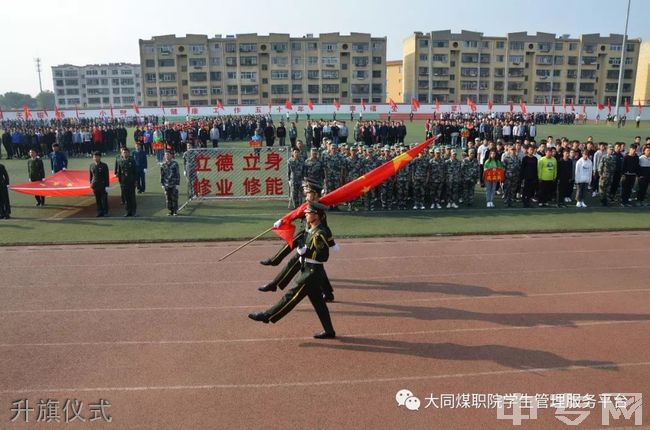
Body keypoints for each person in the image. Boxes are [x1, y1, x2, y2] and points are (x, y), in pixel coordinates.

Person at [248, 201, 336, 339]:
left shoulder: (320, 233)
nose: (305, 214)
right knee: (319, 303)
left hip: (311, 273)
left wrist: (305, 252)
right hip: (308, 270)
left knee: (291, 296)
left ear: (317, 215)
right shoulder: (311, 230)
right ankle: (329, 331)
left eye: (308, 213)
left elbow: (324, 256)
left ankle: (267, 315)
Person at [115, 147, 138, 217]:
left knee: (132, 197)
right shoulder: (120, 161)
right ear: (122, 153)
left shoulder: (132, 161)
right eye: (123, 152)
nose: (125, 154)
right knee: (126, 198)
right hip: (123, 182)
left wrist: (136, 181)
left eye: (126, 152)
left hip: (131, 182)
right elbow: (119, 173)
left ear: (128, 153)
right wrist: (120, 182)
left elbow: (135, 172)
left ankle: (134, 211)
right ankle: (128, 211)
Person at [89, 151, 110, 217]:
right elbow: (91, 176)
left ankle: (105, 212)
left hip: (103, 185)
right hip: (95, 185)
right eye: (94, 157)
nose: (95, 158)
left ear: (100, 157)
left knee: (104, 199)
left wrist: (107, 186)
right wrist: (91, 184)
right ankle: (99, 211)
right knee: (97, 200)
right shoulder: (91, 165)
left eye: (97, 156)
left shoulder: (104, 165)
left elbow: (107, 176)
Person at [160, 150, 180, 216]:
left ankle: (175, 211)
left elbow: (177, 174)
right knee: (168, 198)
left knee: (174, 197)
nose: (167, 156)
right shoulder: (163, 164)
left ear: (171, 155)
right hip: (166, 183)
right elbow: (162, 175)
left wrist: (177, 184)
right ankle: (170, 210)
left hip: (173, 183)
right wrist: (162, 183)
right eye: (165, 155)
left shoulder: (175, 163)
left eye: (168, 154)